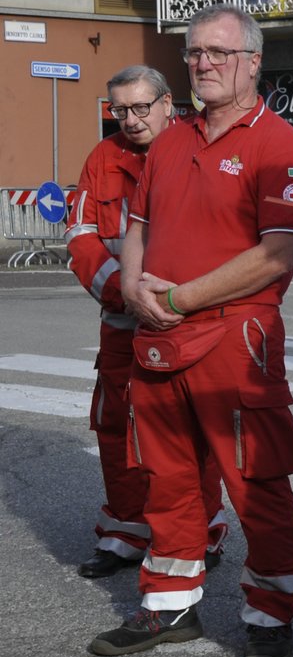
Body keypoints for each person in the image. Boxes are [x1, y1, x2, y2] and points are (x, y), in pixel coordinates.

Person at [88, 5, 293, 657]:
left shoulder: (278, 144)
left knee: (256, 482)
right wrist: (133, 286)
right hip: (159, 339)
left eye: (217, 52)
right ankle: (170, 602)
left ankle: (272, 612)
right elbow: (137, 223)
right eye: (193, 53)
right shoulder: (169, 141)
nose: (203, 63)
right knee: (168, 477)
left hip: (232, 341)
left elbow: (276, 254)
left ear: (252, 61)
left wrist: (180, 298)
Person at [67, 66, 227, 578]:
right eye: (119, 111)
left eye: (140, 108)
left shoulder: (195, 148)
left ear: (167, 104)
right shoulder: (103, 157)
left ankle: (203, 529)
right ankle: (126, 530)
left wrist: (178, 299)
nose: (131, 121)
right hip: (121, 320)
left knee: (189, 433)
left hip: (181, 320)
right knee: (113, 426)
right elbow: (82, 237)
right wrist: (124, 292)